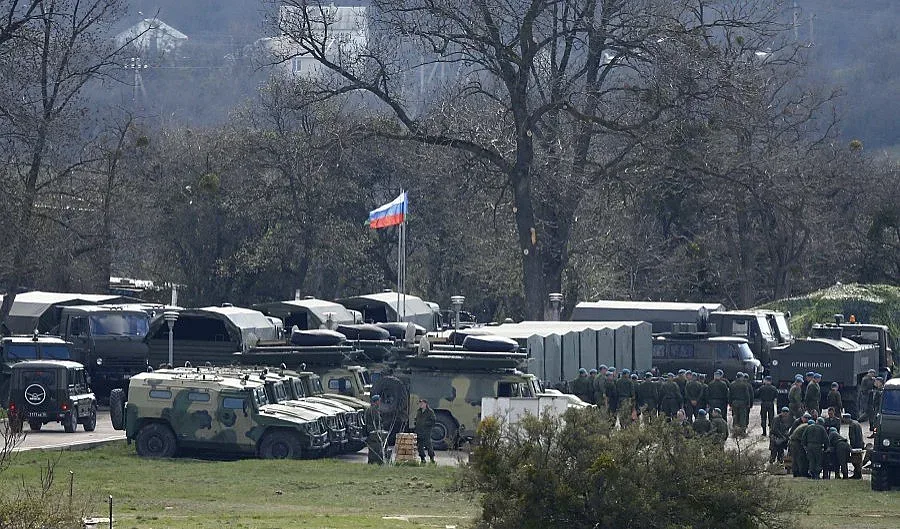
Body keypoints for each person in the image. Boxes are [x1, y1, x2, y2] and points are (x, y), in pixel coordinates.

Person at [365, 395, 387, 464]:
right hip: (373, 431)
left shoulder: (371, 408)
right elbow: (377, 420)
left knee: (374, 447)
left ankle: (374, 461)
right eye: (379, 401)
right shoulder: (373, 409)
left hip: (372, 430)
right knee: (375, 447)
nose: (380, 402)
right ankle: (375, 461)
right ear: (376, 401)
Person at [842, 412, 864, 479]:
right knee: (858, 460)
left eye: (844, 419)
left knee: (855, 461)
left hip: (855, 445)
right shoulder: (857, 423)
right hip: (860, 444)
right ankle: (857, 474)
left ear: (847, 419)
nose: (844, 421)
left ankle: (857, 475)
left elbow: (852, 437)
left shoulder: (851, 425)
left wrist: (851, 447)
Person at [414, 398, 436, 464]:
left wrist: (426, 424)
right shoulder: (419, 411)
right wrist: (416, 423)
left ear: (426, 404)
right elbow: (416, 419)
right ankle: (422, 459)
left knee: (429, 446)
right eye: (420, 403)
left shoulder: (430, 412)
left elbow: (433, 421)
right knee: (419, 447)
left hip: (426, 432)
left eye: (422, 403)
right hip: (419, 431)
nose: (421, 405)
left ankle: (432, 458)